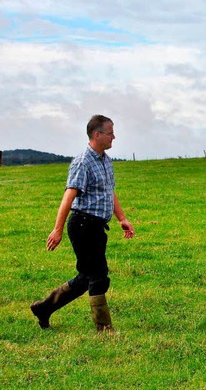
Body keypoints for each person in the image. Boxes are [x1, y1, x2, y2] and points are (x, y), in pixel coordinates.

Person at [30, 115, 135, 333]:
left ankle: (44, 307)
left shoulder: (105, 160)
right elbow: (69, 196)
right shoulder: (82, 162)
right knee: (98, 276)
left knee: (86, 276)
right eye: (110, 133)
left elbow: (109, 191)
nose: (114, 137)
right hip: (82, 225)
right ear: (97, 135)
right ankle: (104, 328)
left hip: (96, 227)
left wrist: (122, 218)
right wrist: (57, 229)